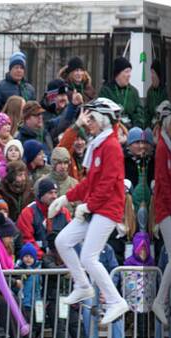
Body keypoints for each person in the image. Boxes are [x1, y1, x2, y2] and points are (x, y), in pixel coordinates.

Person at [49, 97, 130, 326]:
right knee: (63, 241)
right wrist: (66, 198)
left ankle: (115, 301)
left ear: (103, 120)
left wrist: (88, 206)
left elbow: (106, 184)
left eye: (92, 118)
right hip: (95, 208)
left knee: (88, 256)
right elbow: (88, 183)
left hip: (107, 209)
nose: (89, 123)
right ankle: (83, 285)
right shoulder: (98, 144)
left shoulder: (111, 146)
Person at [150, 101, 171, 326]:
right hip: (165, 208)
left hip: (168, 207)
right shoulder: (162, 148)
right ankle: (161, 299)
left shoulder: (168, 146)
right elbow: (164, 182)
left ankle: (168, 296)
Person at [17, 176, 71, 260]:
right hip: (36, 261)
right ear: (41, 194)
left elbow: (70, 238)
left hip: (61, 260)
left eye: (55, 192)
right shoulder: (28, 212)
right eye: (50, 193)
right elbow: (26, 239)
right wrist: (43, 257)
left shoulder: (64, 212)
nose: (54, 196)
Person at [99, 57, 145, 129]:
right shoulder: (106, 91)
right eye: (126, 71)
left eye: (130, 71)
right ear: (118, 73)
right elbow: (102, 114)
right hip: (113, 130)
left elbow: (139, 114)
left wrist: (135, 129)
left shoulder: (133, 92)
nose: (129, 75)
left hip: (131, 131)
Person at [47, 147, 79, 211]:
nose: (63, 166)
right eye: (59, 163)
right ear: (53, 164)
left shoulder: (74, 184)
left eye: (65, 163)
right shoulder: (43, 182)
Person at [146, 60, 169, 128]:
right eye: (151, 73)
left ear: (158, 75)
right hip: (152, 126)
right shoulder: (150, 92)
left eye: (153, 73)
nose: (152, 76)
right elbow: (147, 113)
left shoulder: (165, 91)